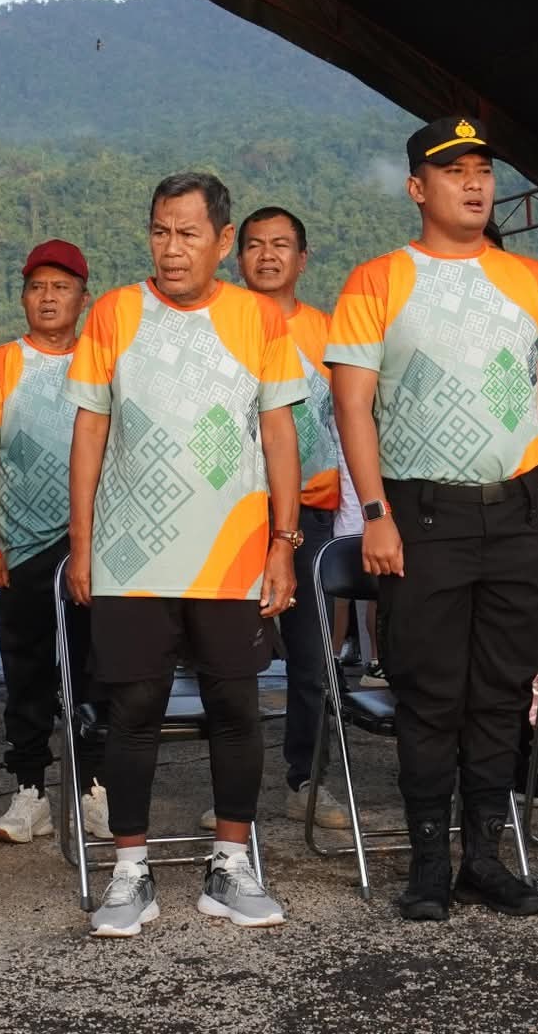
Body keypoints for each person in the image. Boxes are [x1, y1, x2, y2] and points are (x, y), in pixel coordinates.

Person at [328, 117, 538, 923]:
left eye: (482, 169)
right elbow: (353, 405)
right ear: (418, 187)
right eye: (454, 171)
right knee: (430, 690)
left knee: (504, 691)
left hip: (518, 507)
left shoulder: (531, 278)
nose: (474, 183)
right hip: (422, 512)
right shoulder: (377, 280)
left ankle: (484, 857)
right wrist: (376, 512)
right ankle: (428, 865)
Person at [67, 171, 299, 938]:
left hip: (234, 553)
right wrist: (82, 544)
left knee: (236, 707)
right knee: (133, 710)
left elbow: (278, 434)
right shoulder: (114, 312)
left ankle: (229, 864)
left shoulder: (258, 318)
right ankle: (129, 872)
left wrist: (284, 543)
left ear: (222, 241)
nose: (171, 249)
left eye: (188, 234)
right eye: (160, 232)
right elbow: (90, 431)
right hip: (132, 555)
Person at [0, 239, 111, 845]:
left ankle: (96, 789)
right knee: (26, 673)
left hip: (96, 547)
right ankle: (30, 792)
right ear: (23, 297)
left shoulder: (105, 361)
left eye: (61, 287)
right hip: (22, 547)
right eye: (37, 287)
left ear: (84, 298)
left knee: (97, 670)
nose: (48, 297)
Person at [233, 205, 351, 831]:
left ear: (302, 259)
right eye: (255, 245)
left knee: (312, 655)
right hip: (236, 512)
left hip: (310, 511)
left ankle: (307, 779)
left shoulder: (329, 334)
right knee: (232, 659)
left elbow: (351, 423)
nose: (268, 255)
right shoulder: (221, 325)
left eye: (281, 245)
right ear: (238, 258)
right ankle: (234, 788)